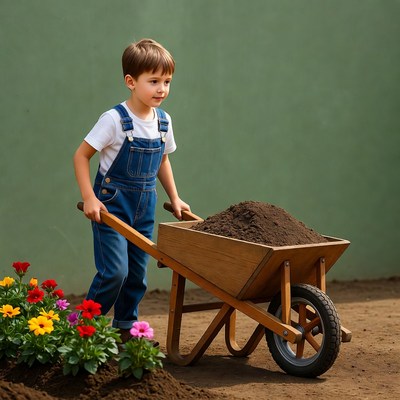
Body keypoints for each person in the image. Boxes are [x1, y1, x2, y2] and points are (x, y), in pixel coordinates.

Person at [73, 38, 190, 341]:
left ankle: (126, 326)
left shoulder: (164, 122)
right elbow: (81, 155)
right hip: (111, 206)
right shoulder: (114, 120)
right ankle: (84, 328)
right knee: (115, 272)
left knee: (137, 274)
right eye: (153, 81)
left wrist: (174, 197)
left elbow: (162, 161)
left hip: (145, 207)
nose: (161, 89)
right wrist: (90, 197)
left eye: (167, 81)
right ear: (130, 82)